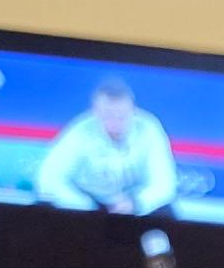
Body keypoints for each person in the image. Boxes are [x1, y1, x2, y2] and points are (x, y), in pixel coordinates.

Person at [34, 76, 177, 215]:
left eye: (121, 114)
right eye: (108, 114)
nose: (115, 121)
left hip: (135, 204)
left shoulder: (149, 129)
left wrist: (136, 203)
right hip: (88, 203)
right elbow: (48, 179)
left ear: (133, 109)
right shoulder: (80, 131)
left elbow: (164, 183)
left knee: (166, 212)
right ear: (95, 111)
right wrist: (84, 207)